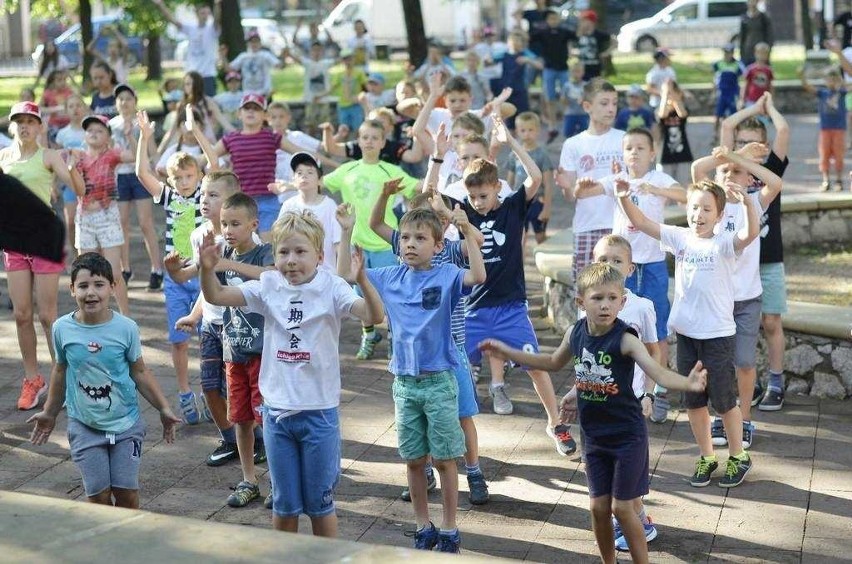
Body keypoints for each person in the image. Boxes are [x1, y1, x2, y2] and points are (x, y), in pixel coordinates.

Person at [478, 262, 707, 564]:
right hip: (594, 439)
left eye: (613, 298)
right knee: (598, 508)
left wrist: (687, 383)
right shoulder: (576, 333)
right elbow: (549, 361)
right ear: (580, 302)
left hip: (627, 436)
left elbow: (658, 372)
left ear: (622, 302)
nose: (605, 305)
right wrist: (506, 352)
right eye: (598, 298)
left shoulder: (626, 339)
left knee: (623, 508)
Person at [198, 209, 383, 536]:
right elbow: (217, 295)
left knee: (320, 506)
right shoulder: (269, 284)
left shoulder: (332, 287)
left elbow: (373, 314)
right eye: (283, 252)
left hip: (319, 414)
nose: (291, 261)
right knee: (284, 507)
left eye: (300, 252)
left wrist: (363, 282)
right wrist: (207, 269)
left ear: (319, 255)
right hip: (277, 414)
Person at [339, 205, 486, 553]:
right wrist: (346, 230)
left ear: (437, 246)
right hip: (404, 385)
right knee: (413, 459)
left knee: (446, 459)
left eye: (420, 238)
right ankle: (423, 524)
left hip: (439, 382)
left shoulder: (447, 274)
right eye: (405, 237)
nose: (410, 244)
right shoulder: (390, 277)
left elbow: (478, 276)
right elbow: (346, 272)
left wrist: (467, 231)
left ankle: (450, 528)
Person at [617, 178, 758, 489]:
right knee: (693, 402)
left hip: (718, 336)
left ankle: (738, 456)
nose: (699, 214)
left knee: (723, 402)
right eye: (695, 207)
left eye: (707, 209)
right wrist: (623, 196)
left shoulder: (723, 243)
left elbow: (749, 234)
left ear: (719, 215)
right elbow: (640, 221)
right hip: (687, 336)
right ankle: (706, 456)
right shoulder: (680, 238)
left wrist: (748, 202)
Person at [368, 178, 489, 507]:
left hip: (452, 351)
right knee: (422, 423)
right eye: (408, 229)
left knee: (463, 414)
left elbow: (477, 249)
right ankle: (426, 473)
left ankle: (474, 471)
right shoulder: (404, 255)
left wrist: (460, 222)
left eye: (425, 225)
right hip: (414, 361)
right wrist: (383, 192)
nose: (410, 240)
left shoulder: (449, 251)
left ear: (440, 227)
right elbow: (375, 224)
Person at [28, 253, 180, 509]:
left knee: (126, 493)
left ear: (112, 287)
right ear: (72, 289)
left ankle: (126, 543)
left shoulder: (126, 328)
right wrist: (50, 413)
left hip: (126, 424)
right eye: (84, 286)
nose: (91, 293)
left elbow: (140, 372)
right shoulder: (62, 329)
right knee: (97, 496)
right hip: (84, 425)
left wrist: (164, 408)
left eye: (99, 285)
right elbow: (60, 371)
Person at [573, 128, 684, 424]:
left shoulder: (658, 179)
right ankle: (620, 386)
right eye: (629, 148)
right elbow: (583, 192)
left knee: (656, 332)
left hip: (652, 266)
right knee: (618, 328)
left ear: (652, 152)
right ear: (622, 154)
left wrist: (656, 191)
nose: (634, 153)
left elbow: (685, 195)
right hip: (618, 271)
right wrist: (582, 185)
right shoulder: (617, 180)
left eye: (640, 147)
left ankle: (658, 391)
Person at [692, 144, 782, 451]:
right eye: (725, 171)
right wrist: (729, 155)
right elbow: (696, 170)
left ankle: (744, 419)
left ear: (749, 179)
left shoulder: (755, 202)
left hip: (746, 300)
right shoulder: (711, 207)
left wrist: (736, 158)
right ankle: (724, 414)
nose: (730, 175)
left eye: (737, 172)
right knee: (720, 364)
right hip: (717, 300)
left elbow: (776, 183)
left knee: (744, 361)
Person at [0, 101, 82, 410]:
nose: (25, 126)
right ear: (13, 126)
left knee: (48, 316)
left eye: (31, 121)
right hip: (15, 242)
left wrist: (73, 167)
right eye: (19, 121)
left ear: (40, 127)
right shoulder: (3, 157)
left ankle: (63, 379)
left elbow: (80, 190)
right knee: (21, 314)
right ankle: (33, 379)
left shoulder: (49, 156)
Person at [321, 119, 421, 359]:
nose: (369, 142)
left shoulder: (391, 171)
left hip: (386, 244)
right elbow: (320, 183)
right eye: (365, 137)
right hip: (357, 244)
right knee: (359, 296)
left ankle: (393, 338)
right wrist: (290, 185)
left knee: (391, 296)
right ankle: (369, 335)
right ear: (359, 140)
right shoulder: (348, 170)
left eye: (375, 138)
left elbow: (417, 187)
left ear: (383, 142)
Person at [587, 236, 661, 553]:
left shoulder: (642, 308)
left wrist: (650, 394)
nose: (609, 265)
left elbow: (656, 352)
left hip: (630, 404)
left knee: (626, 471)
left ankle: (634, 519)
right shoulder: (590, 306)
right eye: (603, 259)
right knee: (607, 470)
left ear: (630, 268)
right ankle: (638, 516)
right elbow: (585, 355)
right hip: (598, 403)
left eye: (616, 261)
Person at [168, 171, 245, 467]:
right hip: (210, 325)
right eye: (203, 195)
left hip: (238, 326)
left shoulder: (240, 239)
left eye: (214, 195)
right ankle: (228, 438)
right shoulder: (199, 235)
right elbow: (204, 281)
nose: (205, 200)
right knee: (210, 385)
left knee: (238, 386)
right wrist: (193, 314)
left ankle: (256, 438)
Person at [136, 110, 208, 425]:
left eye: (189, 176)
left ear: (198, 177)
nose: (183, 182)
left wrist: (197, 132)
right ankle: (184, 393)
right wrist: (144, 137)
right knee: (178, 341)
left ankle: (210, 389)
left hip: (204, 280)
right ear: (171, 179)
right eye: (177, 177)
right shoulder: (169, 198)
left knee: (210, 339)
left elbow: (215, 164)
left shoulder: (204, 198)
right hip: (175, 280)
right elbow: (141, 173)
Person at [722, 96, 789, 413]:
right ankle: (750, 381)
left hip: (769, 260)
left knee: (772, 322)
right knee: (739, 328)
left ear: (764, 145)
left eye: (755, 142)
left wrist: (768, 108)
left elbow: (784, 129)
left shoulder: (770, 172)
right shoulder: (729, 172)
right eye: (743, 143)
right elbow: (726, 126)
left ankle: (776, 380)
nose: (749, 147)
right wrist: (751, 110)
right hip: (737, 267)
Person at [210, 193, 274, 508]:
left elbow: (271, 277)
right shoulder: (221, 254)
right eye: (225, 224)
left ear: (253, 224)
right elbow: (207, 288)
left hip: (263, 354)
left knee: (267, 420)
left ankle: (278, 482)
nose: (229, 230)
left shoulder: (264, 253)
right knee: (242, 419)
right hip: (234, 352)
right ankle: (249, 480)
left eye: (235, 223)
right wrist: (203, 265)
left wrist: (227, 263)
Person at [192, 94, 307, 240]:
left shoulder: (272, 137)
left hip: (268, 200)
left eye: (256, 108)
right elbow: (206, 157)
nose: (251, 111)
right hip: (240, 202)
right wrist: (181, 167)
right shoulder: (230, 139)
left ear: (265, 115)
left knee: (268, 247)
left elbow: (301, 152)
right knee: (243, 245)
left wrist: (324, 161)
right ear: (239, 114)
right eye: (247, 108)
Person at [557, 78, 624, 287]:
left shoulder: (625, 139)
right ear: (587, 106)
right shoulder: (573, 144)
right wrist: (569, 187)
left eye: (614, 103)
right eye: (604, 103)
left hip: (620, 224)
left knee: (618, 289)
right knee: (585, 288)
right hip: (587, 226)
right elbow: (569, 196)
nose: (611, 109)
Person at [67, 114, 133, 315]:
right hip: (84, 218)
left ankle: (126, 318)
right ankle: (89, 317)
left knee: (114, 273)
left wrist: (132, 137)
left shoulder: (112, 154)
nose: (93, 133)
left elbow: (135, 157)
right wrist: (71, 168)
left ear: (108, 136)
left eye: (99, 130)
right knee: (85, 273)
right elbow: (78, 190)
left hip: (107, 216)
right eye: (90, 130)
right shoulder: (77, 157)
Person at [109, 84, 163, 291]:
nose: (124, 102)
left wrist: (158, 169)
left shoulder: (143, 122)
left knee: (145, 222)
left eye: (128, 98)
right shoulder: (111, 125)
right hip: (119, 177)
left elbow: (150, 152)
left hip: (140, 176)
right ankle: (125, 268)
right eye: (120, 99)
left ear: (135, 101)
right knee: (121, 223)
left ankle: (156, 269)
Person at [276, 152, 341, 271]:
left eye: (310, 172)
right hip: (294, 273)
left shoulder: (330, 206)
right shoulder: (288, 205)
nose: (304, 176)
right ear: (293, 179)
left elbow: (339, 244)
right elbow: (279, 240)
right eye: (299, 173)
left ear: (320, 179)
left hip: (325, 274)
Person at [153, 0, 222, 96]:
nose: (205, 16)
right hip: (192, 74)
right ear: (196, 13)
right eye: (202, 13)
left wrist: (217, 4)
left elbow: (217, 19)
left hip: (208, 75)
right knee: (191, 104)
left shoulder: (212, 29)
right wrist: (161, 5)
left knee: (209, 104)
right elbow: (173, 21)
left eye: (207, 13)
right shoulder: (191, 28)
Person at [506, 111, 554, 245]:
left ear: (538, 131)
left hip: (538, 202)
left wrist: (547, 209)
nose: (526, 134)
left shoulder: (542, 155)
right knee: (520, 238)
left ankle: (544, 263)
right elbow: (510, 181)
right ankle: (520, 265)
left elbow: (548, 184)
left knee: (541, 238)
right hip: (520, 202)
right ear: (517, 131)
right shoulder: (514, 155)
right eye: (523, 130)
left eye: (530, 130)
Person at [530, 9, 578, 142]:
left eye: (555, 18)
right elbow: (528, 40)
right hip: (549, 69)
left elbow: (577, 36)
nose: (554, 21)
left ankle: (566, 122)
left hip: (563, 69)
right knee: (550, 98)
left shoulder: (564, 31)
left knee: (566, 97)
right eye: (551, 18)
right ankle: (552, 125)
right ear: (547, 20)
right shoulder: (542, 32)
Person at [159, 71, 234, 153]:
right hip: (188, 145)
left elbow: (224, 122)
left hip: (207, 143)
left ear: (197, 85)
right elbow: (171, 131)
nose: (186, 87)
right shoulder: (181, 105)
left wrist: (241, 135)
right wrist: (159, 152)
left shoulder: (207, 102)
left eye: (189, 84)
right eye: (185, 84)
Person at [800, 67, 847, 191]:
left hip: (839, 129)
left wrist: (840, 81)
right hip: (825, 129)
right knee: (824, 154)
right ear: (825, 81)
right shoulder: (822, 93)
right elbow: (807, 87)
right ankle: (825, 180)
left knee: (839, 154)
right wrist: (802, 76)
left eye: (834, 79)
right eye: (829, 79)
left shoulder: (841, 92)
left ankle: (839, 180)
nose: (831, 82)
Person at [55, 95, 88, 257]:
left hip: (90, 184)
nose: (75, 109)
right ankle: (77, 256)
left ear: (84, 108)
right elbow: (57, 161)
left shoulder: (90, 132)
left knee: (90, 221)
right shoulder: (62, 134)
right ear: (66, 110)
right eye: (71, 106)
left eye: (78, 105)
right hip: (69, 184)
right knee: (70, 222)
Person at [285, 41, 334, 136]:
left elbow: (340, 60)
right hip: (310, 98)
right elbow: (296, 59)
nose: (316, 52)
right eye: (314, 50)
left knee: (325, 122)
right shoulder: (307, 63)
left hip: (324, 99)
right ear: (311, 51)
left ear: (322, 51)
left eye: (319, 50)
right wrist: (288, 53)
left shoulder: (326, 63)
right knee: (310, 123)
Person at [657, 80, 693, 187]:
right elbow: (662, 115)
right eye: (667, 93)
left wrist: (672, 92)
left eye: (672, 93)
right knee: (663, 187)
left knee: (682, 187)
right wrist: (665, 93)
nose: (669, 95)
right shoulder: (659, 110)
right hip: (665, 155)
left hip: (683, 154)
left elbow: (682, 114)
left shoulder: (682, 109)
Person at [229, 30, 285, 98]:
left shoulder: (266, 55)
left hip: (264, 92)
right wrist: (222, 56)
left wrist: (283, 56)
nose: (254, 44)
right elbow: (230, 68)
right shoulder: (243, 56)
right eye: (251, 41)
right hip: (247, 93)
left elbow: (279, 66)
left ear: (260, 43)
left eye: (256, 41)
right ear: (248, 43)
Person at [712, 44, 745, 140]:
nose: (727, 55)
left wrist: (741, 95)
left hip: (732, 93)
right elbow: (715, 78)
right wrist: (713, 92)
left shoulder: (737, 64)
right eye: (726, 52)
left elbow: (743, 77)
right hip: (722, 93)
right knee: (718, 114)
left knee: (734, 114)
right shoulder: (718, 64)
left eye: (729, 52)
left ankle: (737, 133)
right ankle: (715, 134)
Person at [333, 49, 368, 137]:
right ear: (342, 60)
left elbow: (366, 87)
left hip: (355, 105)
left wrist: (361, 97)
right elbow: (332, 87)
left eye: (350, 59)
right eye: (345, 59)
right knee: (344, 129)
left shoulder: (359, 72)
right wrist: (320, 95)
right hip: (343, 105)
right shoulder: (339, 74)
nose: (348, 61)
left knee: (358, 129)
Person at [575, 10, 612, 81]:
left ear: (591, 22)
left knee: (595, 85)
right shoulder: (579, 33)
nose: (581, 23)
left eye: (584, 21)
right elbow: (572, 41)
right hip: (582, 67)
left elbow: (614, 41)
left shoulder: (599, 34)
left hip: (595, 66)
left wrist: (606, 52)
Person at [739, 0, 773, 66]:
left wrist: (768, 50)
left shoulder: (764, 17)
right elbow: (742, 37)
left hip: (761, 51)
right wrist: (742, 53)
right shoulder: (744, 18)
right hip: (748, 51)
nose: (752, 3)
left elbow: (769, 35)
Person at [741, 43, 774, 110]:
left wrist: (771, 99)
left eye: (764, 53)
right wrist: (742, 99)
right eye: (759, 53)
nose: (761, 56)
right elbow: (745, 85)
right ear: (755, 53)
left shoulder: (768, 70)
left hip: (764, 100)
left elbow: (771, 85)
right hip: (751, 100)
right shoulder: (750, 69)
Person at [562, 62, 588, 139]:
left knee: (584, 134)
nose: (576, 74)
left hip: (583, 114)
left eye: (578, 71)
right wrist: (565, 100)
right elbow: (563, 100)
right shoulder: (567, 86)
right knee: (568, 133)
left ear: (583, 72)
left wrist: (583, 100)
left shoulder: (585, 86)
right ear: (570, 73)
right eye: (574, 71)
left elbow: (589, 100)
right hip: (570, 114)